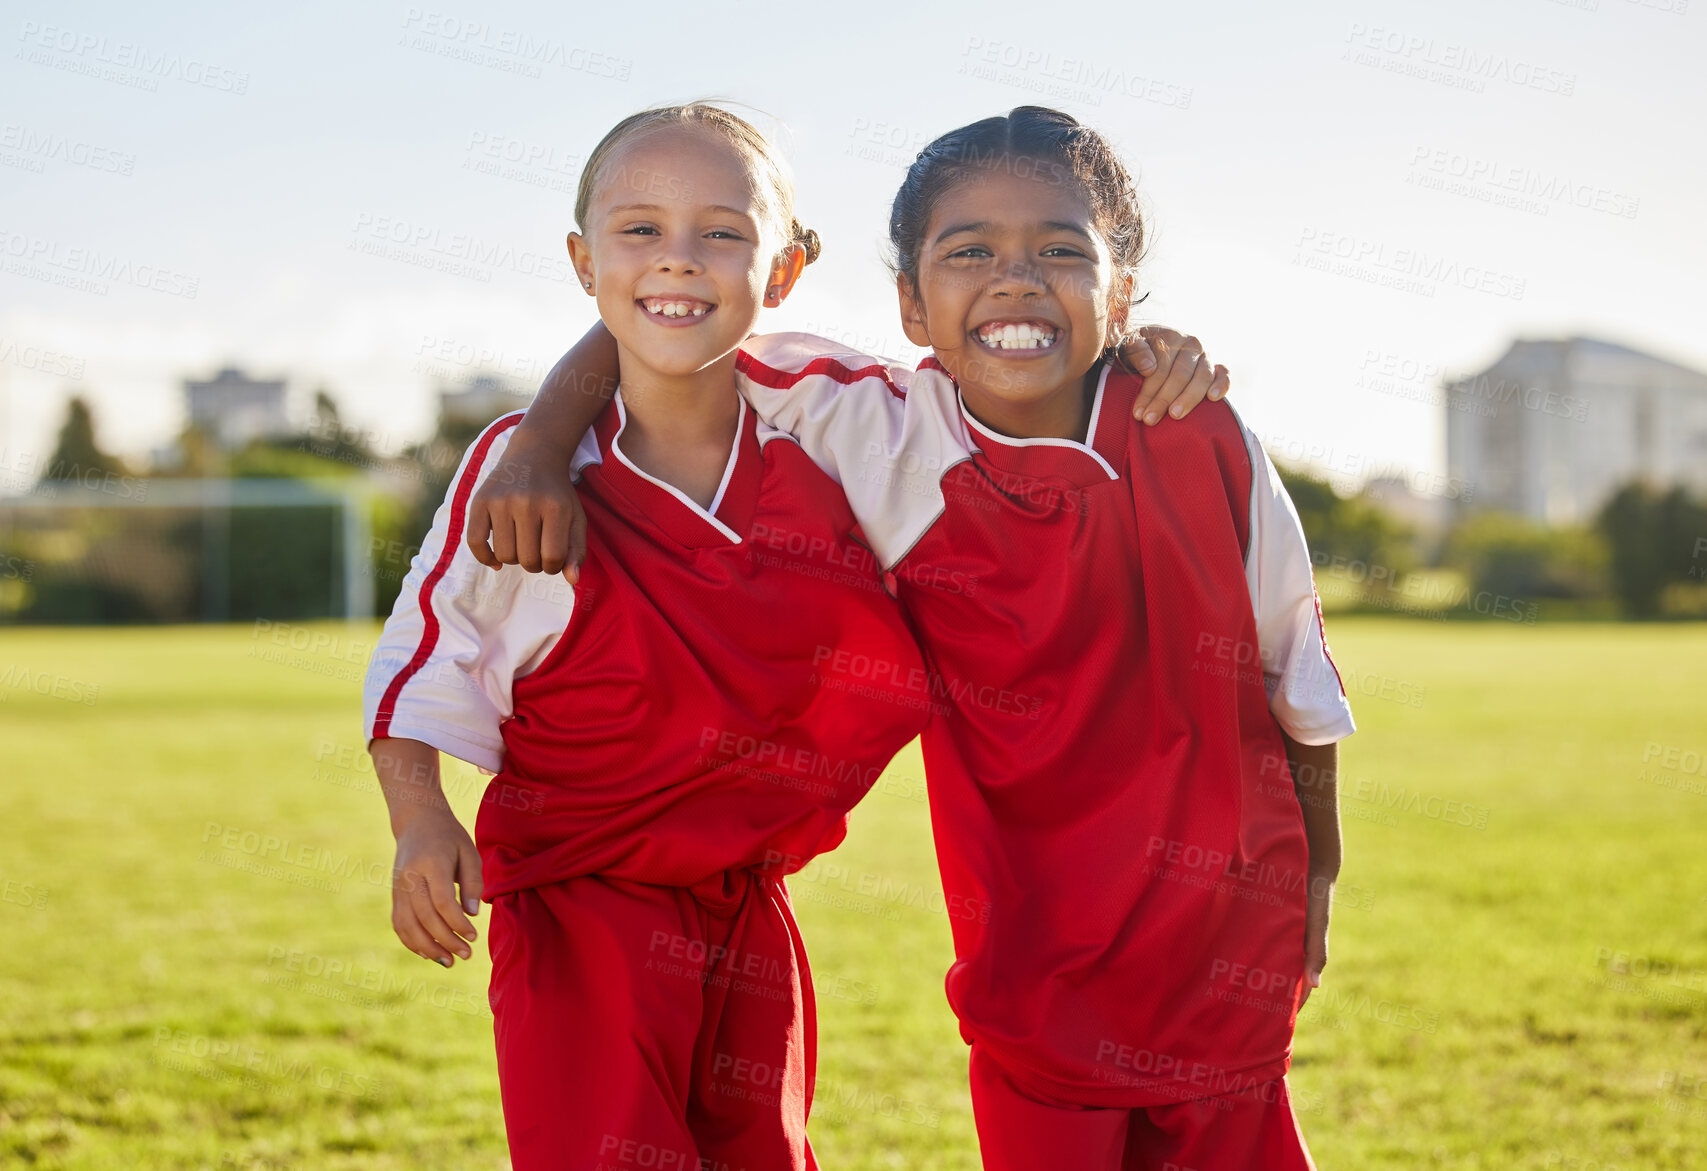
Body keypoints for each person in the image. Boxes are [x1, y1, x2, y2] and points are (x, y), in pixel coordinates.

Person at [471, 106, 1355, 1170]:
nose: (1017, 278)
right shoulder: (879, 430)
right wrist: (537, 444)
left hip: (1225, 944)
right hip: (1035, 959)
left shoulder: (1199, 433)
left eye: (1062, 251)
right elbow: (665, 321)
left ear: (1121, 296)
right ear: (909, 302)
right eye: (969, 250)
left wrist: (1318, 869)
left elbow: (1296, 673)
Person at [362, 104, 933, 1171]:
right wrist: (419, 816)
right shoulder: (524, 474)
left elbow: (1001, 411)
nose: (679, 259)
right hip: (584, 902)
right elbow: (424, 647)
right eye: (639, 231)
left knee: (764, 1151)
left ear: (786, 271)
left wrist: (1137, 349)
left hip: (749, 896)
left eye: (723, 232)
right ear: (582, 262)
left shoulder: (836, 423)